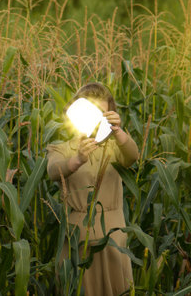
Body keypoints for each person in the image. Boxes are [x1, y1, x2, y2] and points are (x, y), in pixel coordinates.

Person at [46, 82, 139, 296]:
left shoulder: (116, 147)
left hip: (113, 238)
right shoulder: (62, 148)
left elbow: (133, 157)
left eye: (104, 115)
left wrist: (119, 131)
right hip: (76, 237)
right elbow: (53, 171)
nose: (98, 120)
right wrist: (77, 160)